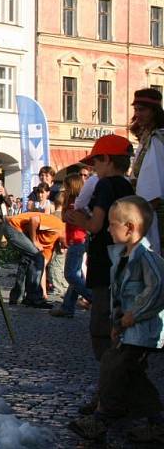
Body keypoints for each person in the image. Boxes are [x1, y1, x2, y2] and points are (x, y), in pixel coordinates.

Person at [68, 196, 164, 443]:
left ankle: (102, 419)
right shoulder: (120, 257)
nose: (108, 229)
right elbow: (119, 298)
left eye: (112, 224)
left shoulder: (146, 257)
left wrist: (134, 315)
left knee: (115, 366)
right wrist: (117, 324)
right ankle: (157, 422)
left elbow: (157, 289)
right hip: (128, 329)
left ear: (129, 228)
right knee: (130, 375)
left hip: (143, 331)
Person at [65, 134, 135, 414]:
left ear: (107, 160)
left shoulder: (105, 186)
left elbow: (95, 225)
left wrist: (76, 218)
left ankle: (110, 397)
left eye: (96, 161)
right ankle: (112, 394)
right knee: (117, 333)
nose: (93, 167)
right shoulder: (128, 186)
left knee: (103, 334)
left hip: (104, 267)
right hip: (121, 268)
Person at [51, 173, 91, 317]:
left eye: (66, 186)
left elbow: (67, 217)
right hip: (76, 240)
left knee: (70, 275)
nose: (64, 188)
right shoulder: (73, 201)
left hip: (77, 241)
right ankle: (67, 307)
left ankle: (92, 298)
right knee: (76, 274)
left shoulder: (77, 203)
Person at [129, 87, 164, 255]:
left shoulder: (157, 139)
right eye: (136, 109)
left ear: (154, 111)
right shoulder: (148, 138)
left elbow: (153, 188)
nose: (138, 114)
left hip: (153, 212)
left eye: (142, 110)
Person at [5, 212, 65, 308]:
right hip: (13, 225)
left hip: (19, 230)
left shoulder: (52, 242)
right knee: (36, 257)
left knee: (28, 261)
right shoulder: (57, 225)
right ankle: (33, 298)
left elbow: (41, 267)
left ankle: (17, 297)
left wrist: (44, 293)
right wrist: (34, 240)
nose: (65, 248)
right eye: (68, 244)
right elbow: (34, 219)